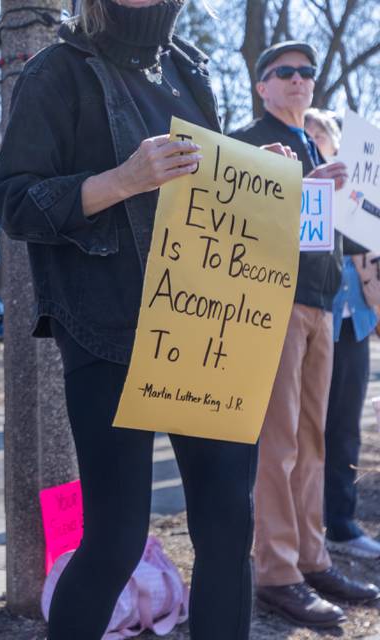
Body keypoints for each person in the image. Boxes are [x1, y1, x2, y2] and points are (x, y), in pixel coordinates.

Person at [0, 1, 269, 638]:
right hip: (109, 335)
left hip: (205, 328)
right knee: (116, 539)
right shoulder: (55, 73)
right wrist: (121, 180)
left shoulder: (190, 70)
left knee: (228, 527)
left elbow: (201, 193)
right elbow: (10, 199)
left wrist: (256, 170)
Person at [231, 41, 379, 628]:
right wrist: (299, 185)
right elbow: (234, 218)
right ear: (262, 87)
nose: (298, 79)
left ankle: (312, 557)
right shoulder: (248, 141)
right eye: (283, 72)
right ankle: (276, 571)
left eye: (306, 72)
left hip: (322, 304)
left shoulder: (312, 143)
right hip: (274, 302)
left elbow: (328, 231)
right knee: (280, 442)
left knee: (314, 441)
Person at [305, 108, 380, 559]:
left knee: (345, 429)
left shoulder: (362, 195)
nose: (317, 140)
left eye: (323, 134)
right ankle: (302, 525)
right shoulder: (305, 188)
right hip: (313, 320)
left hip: (354, 324)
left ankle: (342, 524)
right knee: (307, 429)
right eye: (309, 135)